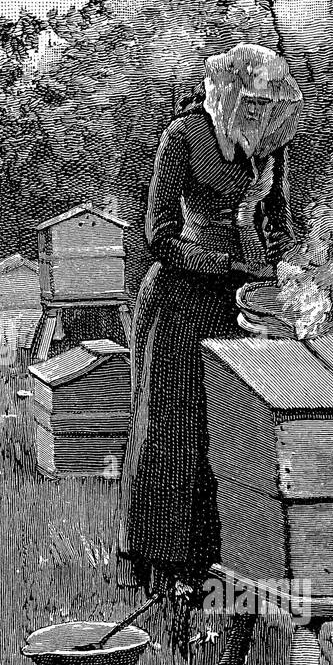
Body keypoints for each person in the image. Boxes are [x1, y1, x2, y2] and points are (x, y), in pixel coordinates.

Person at [119, 43, 303, 600]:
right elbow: (158, 237)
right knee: (172, 429)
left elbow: (282, 227)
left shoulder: (269, 151)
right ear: (224, 95)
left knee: (223, 435)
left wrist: (288, 268)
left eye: (268, 106)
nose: (259, 116)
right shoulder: (183, 137)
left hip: (239, 309)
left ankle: (209, 566)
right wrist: (225, 264)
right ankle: (152, 564)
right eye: (251, 104)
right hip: (179, 303)